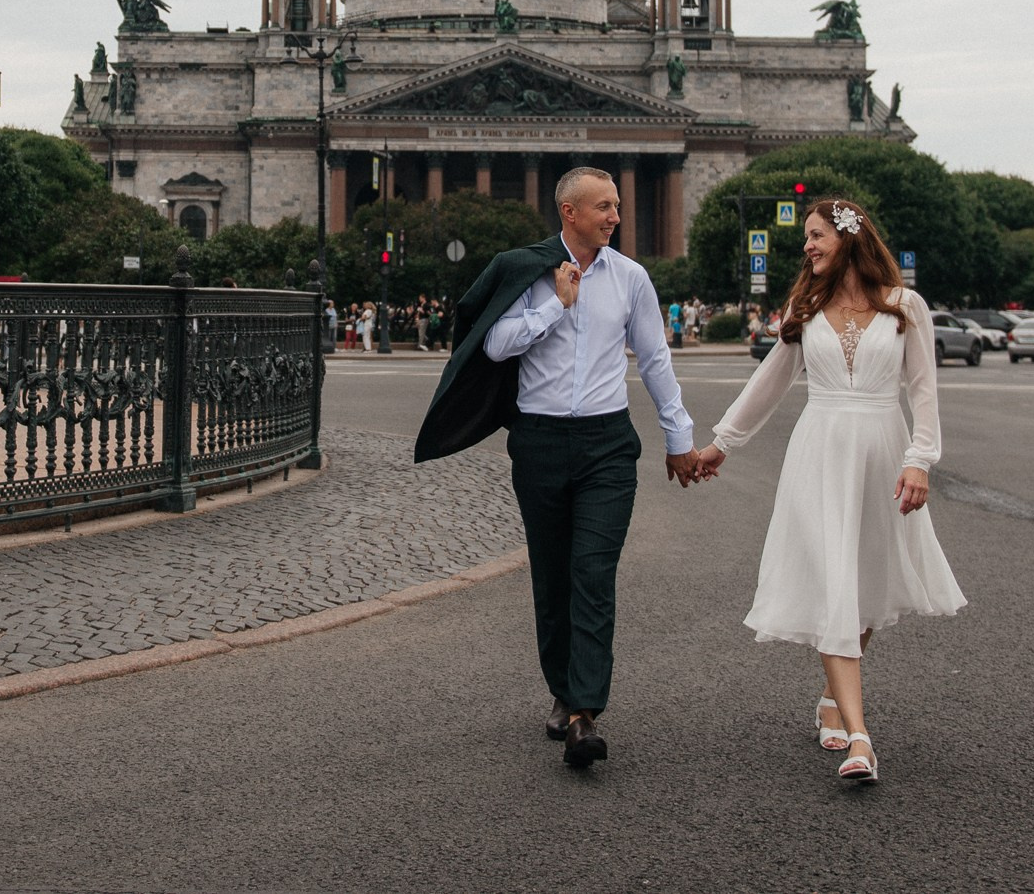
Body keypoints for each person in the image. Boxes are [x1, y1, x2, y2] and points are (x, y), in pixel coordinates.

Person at [413, 166, 705, 769]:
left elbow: (654, 359)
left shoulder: (631, 278)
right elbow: (493, 345)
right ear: (569, 212)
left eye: (618, 206)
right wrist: (555, 305)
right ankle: (563, 689)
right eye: (604, 207)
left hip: (607, 445)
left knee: (592, 572)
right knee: (552, 576)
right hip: (539, 441)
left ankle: (583, 711)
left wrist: (681, 440)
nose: (616, 217)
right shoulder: (527, 271)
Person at [689, 197, 965, 784]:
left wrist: (921, 460)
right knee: (833, 579)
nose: (807, 246)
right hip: (818, 453)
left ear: (849, 239)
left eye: (816, 236)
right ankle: (860, 739)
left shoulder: (904, 305)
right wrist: (722, 444)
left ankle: (832, 697)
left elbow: (923, 392)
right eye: (806, 239)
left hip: (883, 450)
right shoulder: (804, 306)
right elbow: (770, 381)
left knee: (861, 580)